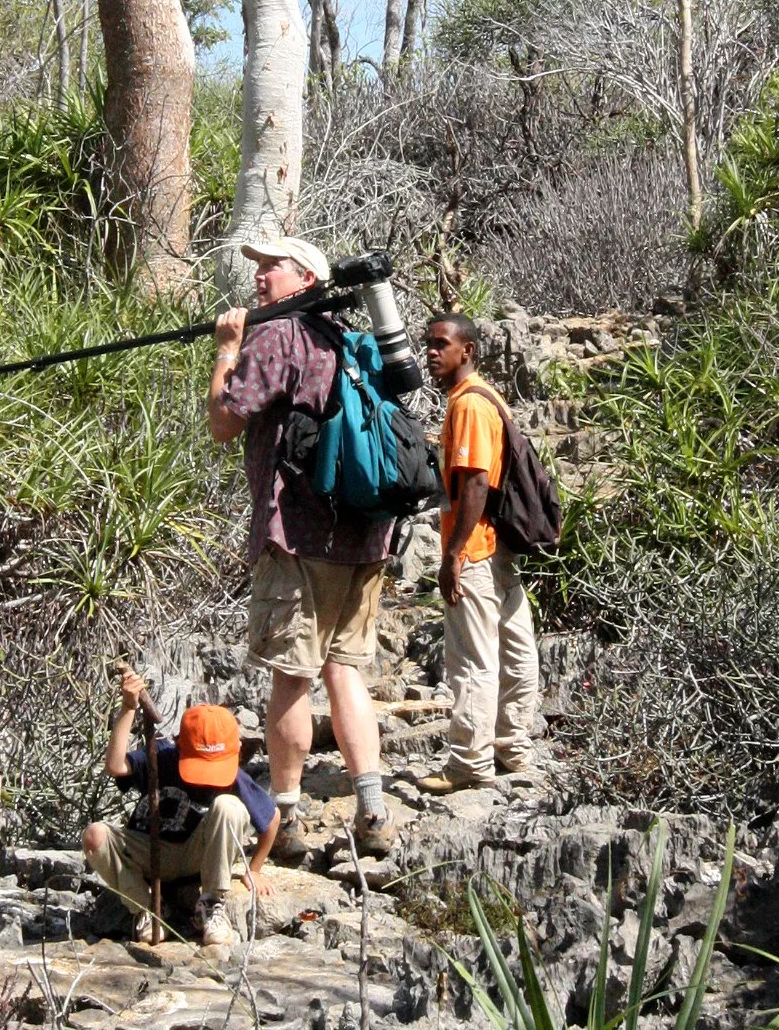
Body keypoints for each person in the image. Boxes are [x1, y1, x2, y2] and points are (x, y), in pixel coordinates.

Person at [208, 234, 400, 864]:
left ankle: (283, 819)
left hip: (298, 535)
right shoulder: (349, 339)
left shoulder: (279, 336)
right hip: (367, 534)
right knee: (345, 670)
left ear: (306, 278)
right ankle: (372, 810)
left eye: (272, 268)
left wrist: (226, 352)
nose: (260, 278)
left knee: (292, 674)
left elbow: (224, 421)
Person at [416, 311, 540, 793]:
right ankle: (513, 746)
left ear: (466, 350)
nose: (431, 352)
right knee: (516, 647)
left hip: (478, 550)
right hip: (499, 546)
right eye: (428, 343)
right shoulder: (491, 396)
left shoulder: (468, 405)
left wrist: (453, 554)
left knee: (472, 659)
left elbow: (475, 483)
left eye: (441, 344)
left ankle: (470, 762)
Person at [82, 670, 278, 951]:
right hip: (149, 851)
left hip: (195, 856)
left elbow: (271, 819)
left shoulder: (233, 775)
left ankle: (211, 903)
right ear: (178, 744)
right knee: (95, 835)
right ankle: (148, 910)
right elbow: (115, 766)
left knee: (229, 807)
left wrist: (255, 869)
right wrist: (128, 708)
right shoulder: (161, 755)